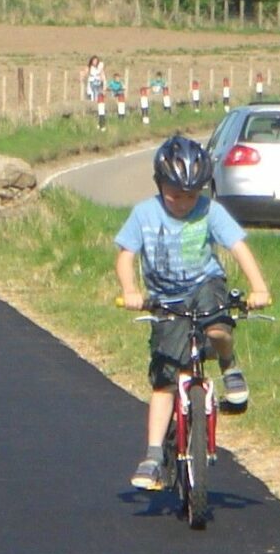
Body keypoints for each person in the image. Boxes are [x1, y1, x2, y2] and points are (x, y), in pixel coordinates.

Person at [113, 135, 271, 490]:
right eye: (174, 195)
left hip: (205, 285)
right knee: (166, 381)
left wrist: (258, 287)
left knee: (218, 330)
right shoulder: (144, 213)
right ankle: (153, 455)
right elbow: (125, 257)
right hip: (165, 299)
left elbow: (238, 247)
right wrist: (130, 291)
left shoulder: (210, 211)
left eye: (191, 195)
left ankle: (230, 365)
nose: (183, 203)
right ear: (159, 185)